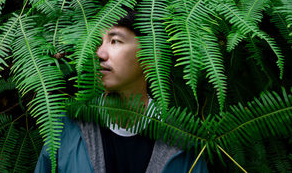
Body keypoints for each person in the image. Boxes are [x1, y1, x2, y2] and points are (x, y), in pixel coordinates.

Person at [34, 9, 208, 173]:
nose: (100, 53)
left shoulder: (182, 142)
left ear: (150, 55)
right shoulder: (66, 128)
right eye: (97, 42)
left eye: (115, 41)